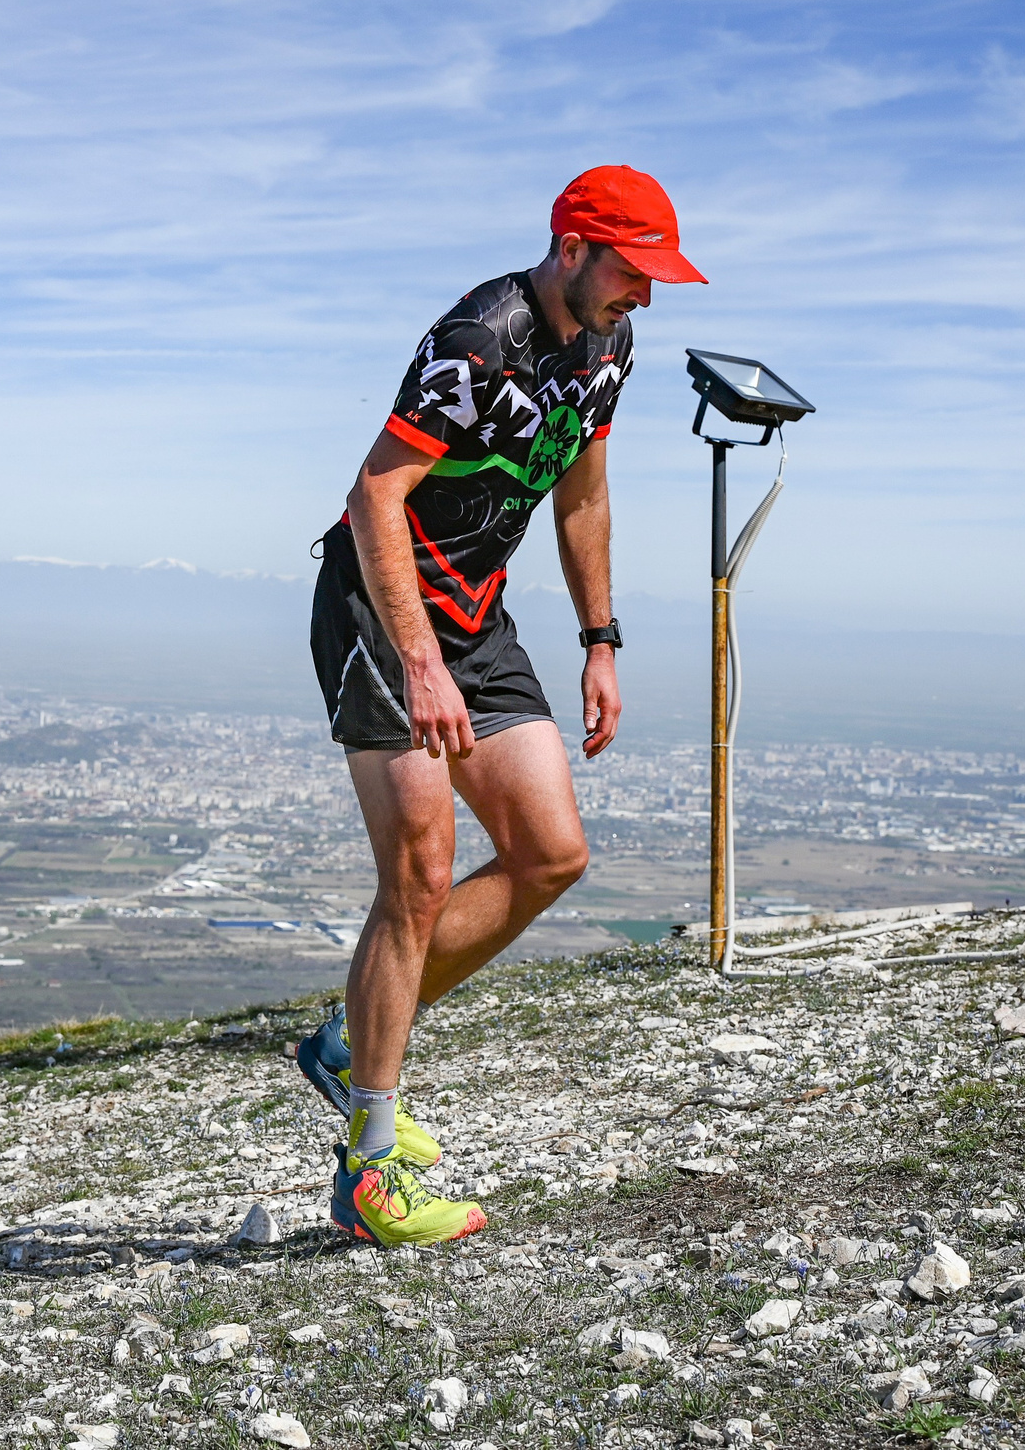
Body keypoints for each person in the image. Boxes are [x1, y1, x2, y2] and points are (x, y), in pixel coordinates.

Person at [296, 165, 706, 1245]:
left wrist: (600, 639)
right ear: (572, 246)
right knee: (419, 875)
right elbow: (374, 493)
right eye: (632, 271)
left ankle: (348, 1041)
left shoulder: (611, 347)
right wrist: (420, 661)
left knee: (551, 850)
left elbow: (583, 493)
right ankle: (369, 1166)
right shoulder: (479, 334)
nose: (646, 296)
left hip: (477, 615)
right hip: (384, 612)